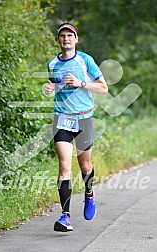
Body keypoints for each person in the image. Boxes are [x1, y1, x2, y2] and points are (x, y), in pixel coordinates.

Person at [44, 23, 108, 232]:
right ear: (58, 40)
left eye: (70, 35)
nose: (66, 39)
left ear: (76, 39)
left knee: (85, 166)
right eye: (62, 36)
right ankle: (65, 216)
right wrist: (49, 87)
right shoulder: (52, 63)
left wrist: (81, 83)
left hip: (83, 119)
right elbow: (53, 83)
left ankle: (89, 195)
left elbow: (103, 88)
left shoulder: (85, 60)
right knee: (64, 167)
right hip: (62, 118)